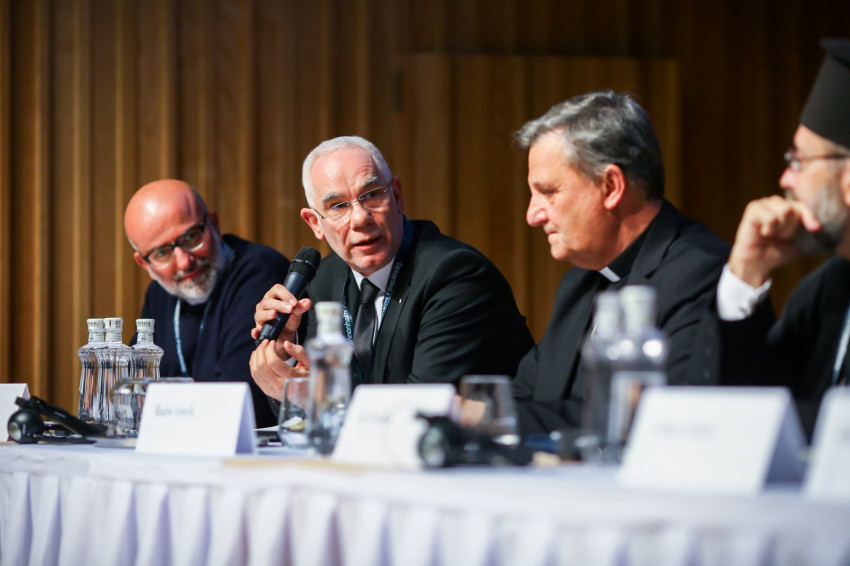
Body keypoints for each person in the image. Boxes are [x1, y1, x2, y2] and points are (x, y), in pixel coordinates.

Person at [509, 90, 730, 436]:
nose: (532, 215)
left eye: (548, 192)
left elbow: (652, 419)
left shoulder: (700, 272)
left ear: (611, 186)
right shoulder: (578, 282)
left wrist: (484, 415)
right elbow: (524, 396)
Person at [249, 136, 534, 405]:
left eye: (372, 195)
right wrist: (284, 355)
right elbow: (302, 410)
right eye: (338, 206)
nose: (360, 218)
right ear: (315, 223)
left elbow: (423, 406)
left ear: (397, 196)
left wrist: (323, 399)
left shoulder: (456, 274)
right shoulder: (322, 281)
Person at [713, 39, 850, 440]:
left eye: (799, 161)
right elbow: (743, 412)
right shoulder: (829, 290)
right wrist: (745, 274)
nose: (785, 178)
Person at [124, 179, 291, 427]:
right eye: (162, 253)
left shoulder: (259, 270)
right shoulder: (159, 292)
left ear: (213, 224)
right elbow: (132, 394)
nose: (184, 262)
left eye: (191, 237)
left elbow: (236, 399)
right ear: (144, 264)